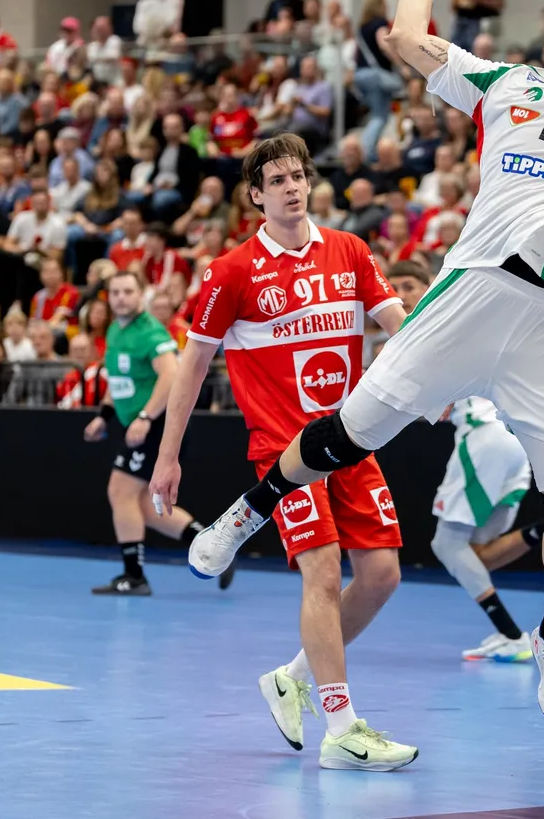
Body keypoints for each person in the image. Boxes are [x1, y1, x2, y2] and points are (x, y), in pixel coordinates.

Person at [163, 0, 544, 729]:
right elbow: (405, 35)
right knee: (351, 431)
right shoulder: (512, 84)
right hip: (474, 290)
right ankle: (246, 514)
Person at [150, 134, 416, 770]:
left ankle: (291, 677)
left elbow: (400, 327)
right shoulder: (232, 271)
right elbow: (192, 368)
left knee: (382, 576)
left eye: (298, 176)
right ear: (256, 196)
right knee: (322, 572)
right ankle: (341, 730)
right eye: (277, 180)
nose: (292, 187)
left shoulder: (349, 250)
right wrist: (168, 454)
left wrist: (431, 382)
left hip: (351, 437)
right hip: (284, 449)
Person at [82, 270, 221, 595]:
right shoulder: (116, 330)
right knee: (143, 506)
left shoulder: (149, 331)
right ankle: (214, 546)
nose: (121, 298)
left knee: (120, 492)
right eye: (115, 292)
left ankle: (135, 577)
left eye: (128, 291)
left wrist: (145, 417)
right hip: (138, 426)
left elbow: (172, 375)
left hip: (158, 425)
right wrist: (104, 416)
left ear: (141, 294)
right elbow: (119, 381)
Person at [431, 396, 537, 662]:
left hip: (484, 435)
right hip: (517, 440)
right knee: (474, 557)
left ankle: (512, 635)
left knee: (446, 544)